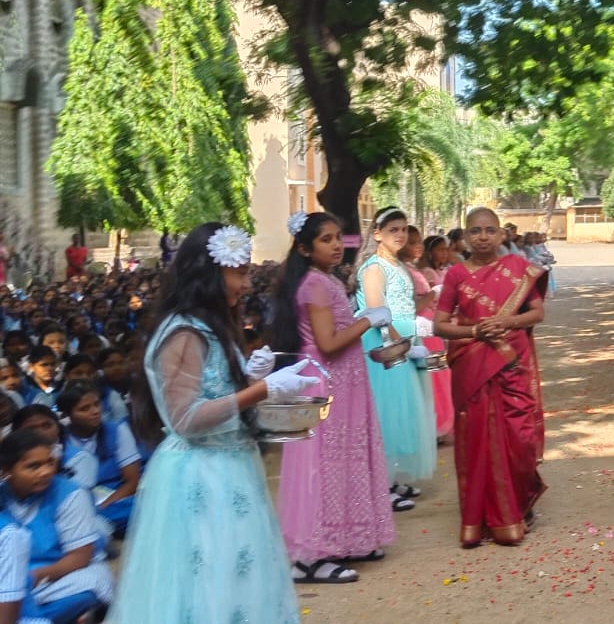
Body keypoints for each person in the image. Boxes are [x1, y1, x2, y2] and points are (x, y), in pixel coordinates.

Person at [108, 223, 319, 623]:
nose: (246, 283)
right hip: (201, 475)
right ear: (209, 274)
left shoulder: (210, 324)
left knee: (238, 580)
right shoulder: (184, 332)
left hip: (230, 466)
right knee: (207, 585)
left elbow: (214, 390)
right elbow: (185, 418)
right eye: (239, 273)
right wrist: (262, 390)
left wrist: (253, 378)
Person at [269, 211, 396, 584]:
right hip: (325, 381)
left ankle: (348, 538)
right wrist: (368, 320)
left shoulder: (324, 279)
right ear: (305, 248)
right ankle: (311, 555)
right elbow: (327, 343)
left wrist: (361, 321)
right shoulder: (315, 284)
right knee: (321, 466)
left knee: (342, 460)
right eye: (326, 239)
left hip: (343, 380)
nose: (337, 245)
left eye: (338, 237)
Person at [432, 207, 549, 548]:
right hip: (473, 365)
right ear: (466, 236)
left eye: (489, 230)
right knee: (476, 439)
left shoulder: (518, 268)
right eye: (475, 231)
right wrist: (475, 332)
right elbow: (440, 324)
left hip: (512, 363)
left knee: (520, 437)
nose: (482, 236)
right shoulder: (456, 274)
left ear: (500, 235)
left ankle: (519, 503)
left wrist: (506, 322)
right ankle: (480, 516)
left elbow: (537, 313)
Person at [355, 207, 436, 500]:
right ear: (377, 234)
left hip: (402, 342)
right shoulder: (374, 267)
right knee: (385, 417)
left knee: (402, 415)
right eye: (393, 230)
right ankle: (379, 487)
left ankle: (389, 480)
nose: (400, 235)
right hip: (384, 347)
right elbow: (378, 313)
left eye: (403, 229)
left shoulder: (398, 265)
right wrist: (406, 339)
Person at [0, 429, 112, 623]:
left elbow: (80, 556)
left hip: (55, 575)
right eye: (33, 466)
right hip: (9, 577)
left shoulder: (70, 494)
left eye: (50, 463)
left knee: (91, 585)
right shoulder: (2, 496)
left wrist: (35, 577)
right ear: (7, 471)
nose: (45, 472)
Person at [56, 382, 140, 534]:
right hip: (78, 502)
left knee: (139, 507)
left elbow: (133, 481)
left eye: (96, 404)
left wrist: (103, 506)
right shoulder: (61, 439)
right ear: (68, 415)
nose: (95, 411)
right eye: (84, 409)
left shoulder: (117, 430)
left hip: (114, 500)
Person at [416, 234, 455, 439]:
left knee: (440, 375)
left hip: (434, 323)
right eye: (440, 249)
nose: (445, 253)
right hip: (425, 325)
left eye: (446, 249)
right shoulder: (425, 272)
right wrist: (434, 295)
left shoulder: (439, 270)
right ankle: (436, 425)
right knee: (433, 377)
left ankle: (443, 423)